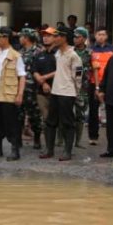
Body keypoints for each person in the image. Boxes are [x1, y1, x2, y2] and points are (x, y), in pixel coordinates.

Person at [0, 27, 25, 160]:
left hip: (8, 96)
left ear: (6, 38)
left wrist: (20, 95)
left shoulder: (15, 56)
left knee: (11, 124)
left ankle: (15, 150)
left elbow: (22, 76)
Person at [41, 27, 81, 161]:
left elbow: (78, 76)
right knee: (50, 122)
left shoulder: (73, 55)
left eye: (57, 36)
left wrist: (76, 92)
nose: (55, 38)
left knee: (67, 123)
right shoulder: (57, 53)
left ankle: (67, 151)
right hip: (55, 91)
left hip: (67, 93)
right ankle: (49, 149)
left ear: (64, 38)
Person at [19, 29, 45, 149]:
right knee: (19, 114)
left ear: (26, 38)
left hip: (33, 88)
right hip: (20, 88)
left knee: (35, 114)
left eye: (21, 36)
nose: (20, 38)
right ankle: (17, 138)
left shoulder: (39, 52)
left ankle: (37, 138)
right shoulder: (20, 52)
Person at [88, 27, 113, 146]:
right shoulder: (91, 50)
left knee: (111, 111)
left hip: (109, 84)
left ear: (107, 36)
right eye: (99, 34)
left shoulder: (112, 49)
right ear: (95, 35)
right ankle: (93, 136)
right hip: (94, 83)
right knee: (93, 110)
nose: (101, 36)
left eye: (103, 34)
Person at [72, 27, 93, 147]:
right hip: (69, 86)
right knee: (66, 114)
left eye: (78, 37)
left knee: (80, 115)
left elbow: (94, 69)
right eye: (74, 37)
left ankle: (78, 141)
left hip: (83, 88)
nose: (75, 39)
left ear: (84, 38)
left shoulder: (90, 53)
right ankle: (61, 140)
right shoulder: (70, 51)